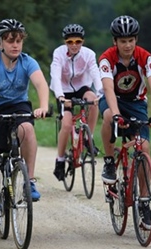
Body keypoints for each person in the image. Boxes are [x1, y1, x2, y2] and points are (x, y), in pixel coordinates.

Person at [0, 19, 49, 218]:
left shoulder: (27, 62)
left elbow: (41, 85)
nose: (15, 45)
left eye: (18, 40)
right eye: (9, 41)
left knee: (27, 129)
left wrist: (43, 106)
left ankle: (29, 182)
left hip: (17, 105)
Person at [98, 15, 151, 230]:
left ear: (136, 39)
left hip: (136, 103)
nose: (127, 45)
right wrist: (116, 114)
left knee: (143, 147)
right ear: (115, 42)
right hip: (113, 101)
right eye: (122, 41)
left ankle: (144, 203)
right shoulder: (107, 59)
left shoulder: (146, 57)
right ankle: (109, 162)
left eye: (131, 40)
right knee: (108, 116)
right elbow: (108, 89)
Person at [50, 24, 103, 181]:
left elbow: (95, 73)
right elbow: (55, 75)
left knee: (93, 100)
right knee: (66, 125)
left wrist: (100, 92)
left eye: (78, 41)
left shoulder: (89, 54)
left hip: (81, 87)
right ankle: (60, 160)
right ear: (65, 42)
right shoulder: (58, 53)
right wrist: (60, 96)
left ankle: (88, 138)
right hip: (64, 90)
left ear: (82, 42)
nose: (74, 45)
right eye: (70, 42)